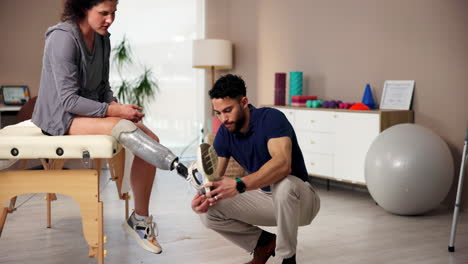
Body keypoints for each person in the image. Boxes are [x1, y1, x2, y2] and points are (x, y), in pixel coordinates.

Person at [32, 0, 169, 254]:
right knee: (130, 131)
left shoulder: (102, 38)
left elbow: (103, 88)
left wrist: (118, 105)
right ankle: (141, 221)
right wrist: (116, 112)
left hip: (89, 112)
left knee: (152, 139)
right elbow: (68, 100)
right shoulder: (62, 38)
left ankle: (139, 220)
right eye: (104, 13)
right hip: (60, 118)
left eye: (114, 13)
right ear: (84, 8)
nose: (110, 19)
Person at [191, 74, 321, 264]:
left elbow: (283, 165)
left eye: (228, 110)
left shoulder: (271, 119)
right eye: (218, 112)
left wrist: (239, 184)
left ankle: (288, 259)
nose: (223, 119)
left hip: (301, 200)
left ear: (244, 102)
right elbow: (214, 179)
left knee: (283, 186)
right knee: (210, 211)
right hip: (266, 199)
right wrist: (204, 196)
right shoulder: (225, 134)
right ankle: (263, 243)